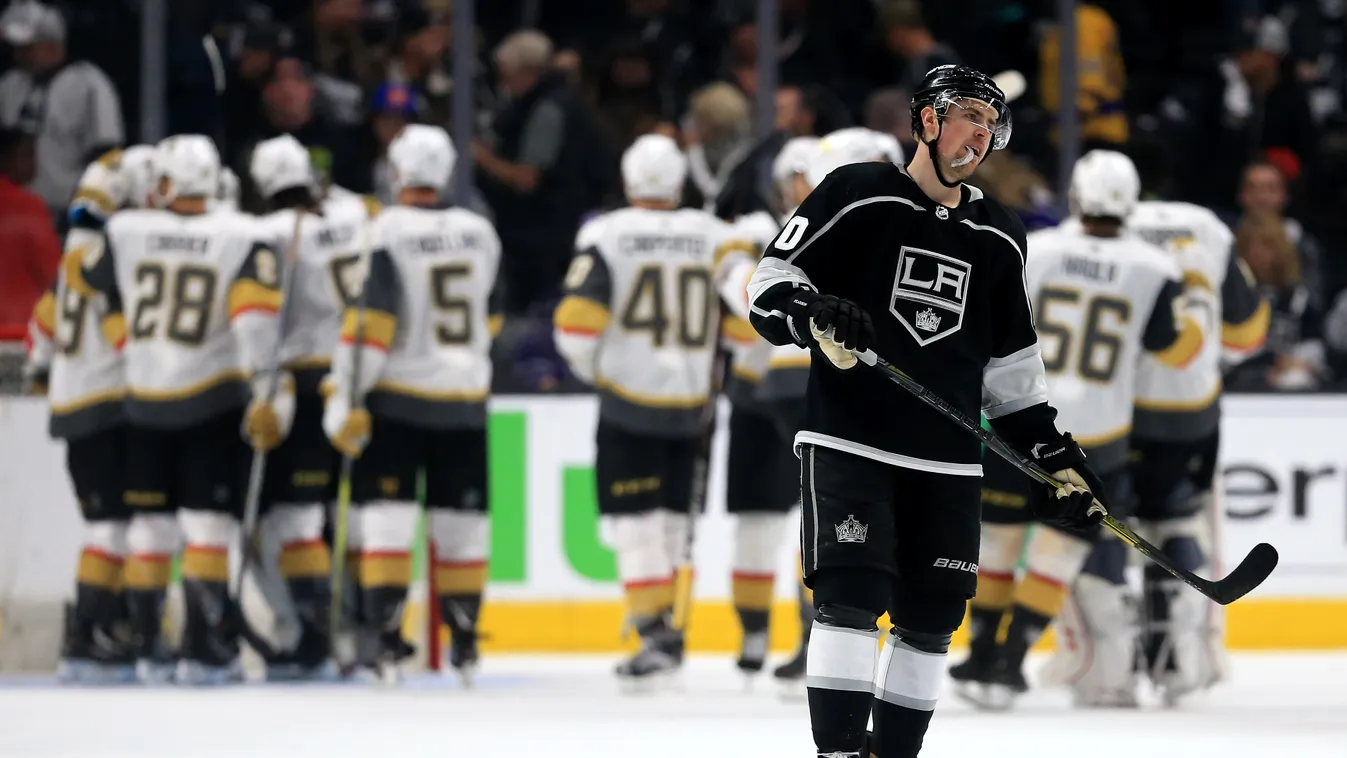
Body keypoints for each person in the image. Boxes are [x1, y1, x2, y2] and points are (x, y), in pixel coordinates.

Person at [745, 65, 1106, 758]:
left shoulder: (999, 234)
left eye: (988, 120)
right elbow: (770, 283)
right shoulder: (857, 192)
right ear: (927, 121)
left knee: (932, 616)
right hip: (851, 441)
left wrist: (1055, 457)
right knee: (848, 598)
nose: (979, 130)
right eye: (966, 113)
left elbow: (1011, 373)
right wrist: (813, 312)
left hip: (946, 461)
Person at [949, 150, 1206, 710]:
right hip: (1099, 434)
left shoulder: (1036, 250)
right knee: (1058, 552)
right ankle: (1012, 660)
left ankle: (982, 650)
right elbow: (1176, 347)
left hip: (1018, 417)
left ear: (1077, 197)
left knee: (997, 541)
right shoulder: (1156, 268)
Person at [1043, 163, 1268, 707]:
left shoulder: (1066, 240)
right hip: (1188, 410)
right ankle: (1183, 661)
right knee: (1179, 513)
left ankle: (1108, 666)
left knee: (1100, 525)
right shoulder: (1206, 228)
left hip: (1112, 414)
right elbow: (1244, 336)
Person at [65, 135, 284, 685]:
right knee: (207, 527)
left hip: (142, 400)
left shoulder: (125, 230)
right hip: (210, 397)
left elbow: (84, 276)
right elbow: (254, 321)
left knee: (149, 530)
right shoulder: (243, 233)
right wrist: (266, 391)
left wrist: (94, 191)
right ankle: (205, 650)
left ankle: (146, 647)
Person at [551, 134, 746, 686]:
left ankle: (653, 631)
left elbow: (573, 324)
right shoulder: (715, 236)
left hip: (628, 401)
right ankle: (665, 631)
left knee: (635, 525)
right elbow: (742, 326)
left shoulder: (605, 234)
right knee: (669, 523)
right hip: (692, 404)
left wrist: (599, 372)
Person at [320, 124, 501, 685]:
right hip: (465, 398)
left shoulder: (383, 233)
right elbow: (492, 316)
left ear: (396, 172)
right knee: (461, 527)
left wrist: (344, 396)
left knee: (387, 524)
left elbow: (371, 326)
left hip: (397, 398)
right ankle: (466, 647)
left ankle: (386, 645)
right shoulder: (481, 232)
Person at [246, 134, 380, 681]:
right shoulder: (359, 212)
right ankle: (362, 633)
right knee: (345, 514)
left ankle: (314, 638)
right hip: (364, 378)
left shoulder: (272, 233)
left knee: (297, 518)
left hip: (306, 381)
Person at [23, 144, 156, 684]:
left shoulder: (75, 252)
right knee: (119, 528)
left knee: (106, 526)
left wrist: (43, 372)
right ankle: (94, 629)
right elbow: (125, 337)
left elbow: (41, 332)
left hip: (74, 409)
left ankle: (98, 628)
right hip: (109, 405)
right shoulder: (120, 251)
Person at [0, 0, 124, 226]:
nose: (18, 55)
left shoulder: (89, 84)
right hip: (12, 212)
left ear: (52, 45)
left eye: (27, 48)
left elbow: (107, 156)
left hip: (65, 212)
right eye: (16, 48)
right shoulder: (10, 85)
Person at [0, 127, 60, 329]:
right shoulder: (29, 206)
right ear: (6, 158)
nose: (35, 163)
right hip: (21, 333)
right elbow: (53, 274)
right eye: (28, 154)